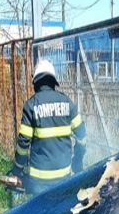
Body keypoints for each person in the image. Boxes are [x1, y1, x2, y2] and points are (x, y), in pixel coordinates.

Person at [10, 59, 86, 196]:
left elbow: (23, 143)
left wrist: (17, 168)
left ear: (36, 82)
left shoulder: (31, 105)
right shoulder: (67, 102)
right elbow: (82, 134)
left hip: (38, 182)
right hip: (64, 178)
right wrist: (77, 160)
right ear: (53, 81)